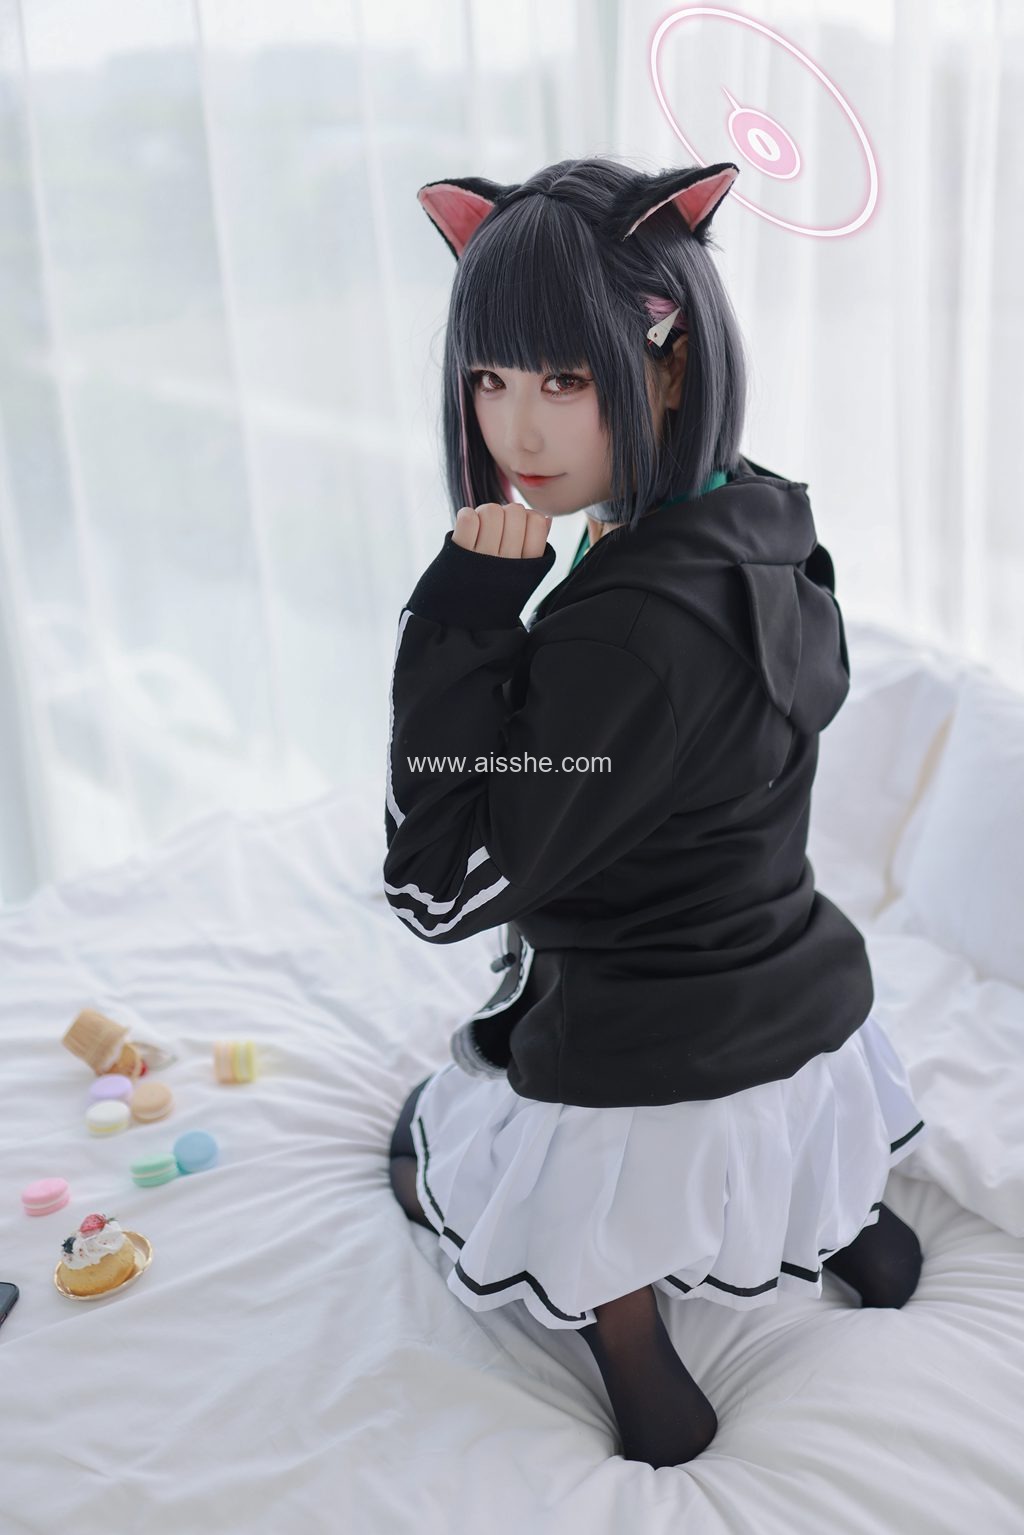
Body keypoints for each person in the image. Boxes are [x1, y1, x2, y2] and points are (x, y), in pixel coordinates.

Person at [383, 156, 927, 1470]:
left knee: (424, 1154)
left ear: (668, 369)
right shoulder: (764, 518)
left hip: (641, 1046)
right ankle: (851, 1222)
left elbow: (437, 886)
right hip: (798, 985)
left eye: (564, 382)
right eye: (491, 380)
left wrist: (460, 622)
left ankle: (637, 1357)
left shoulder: (620, 636)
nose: (517, 435)